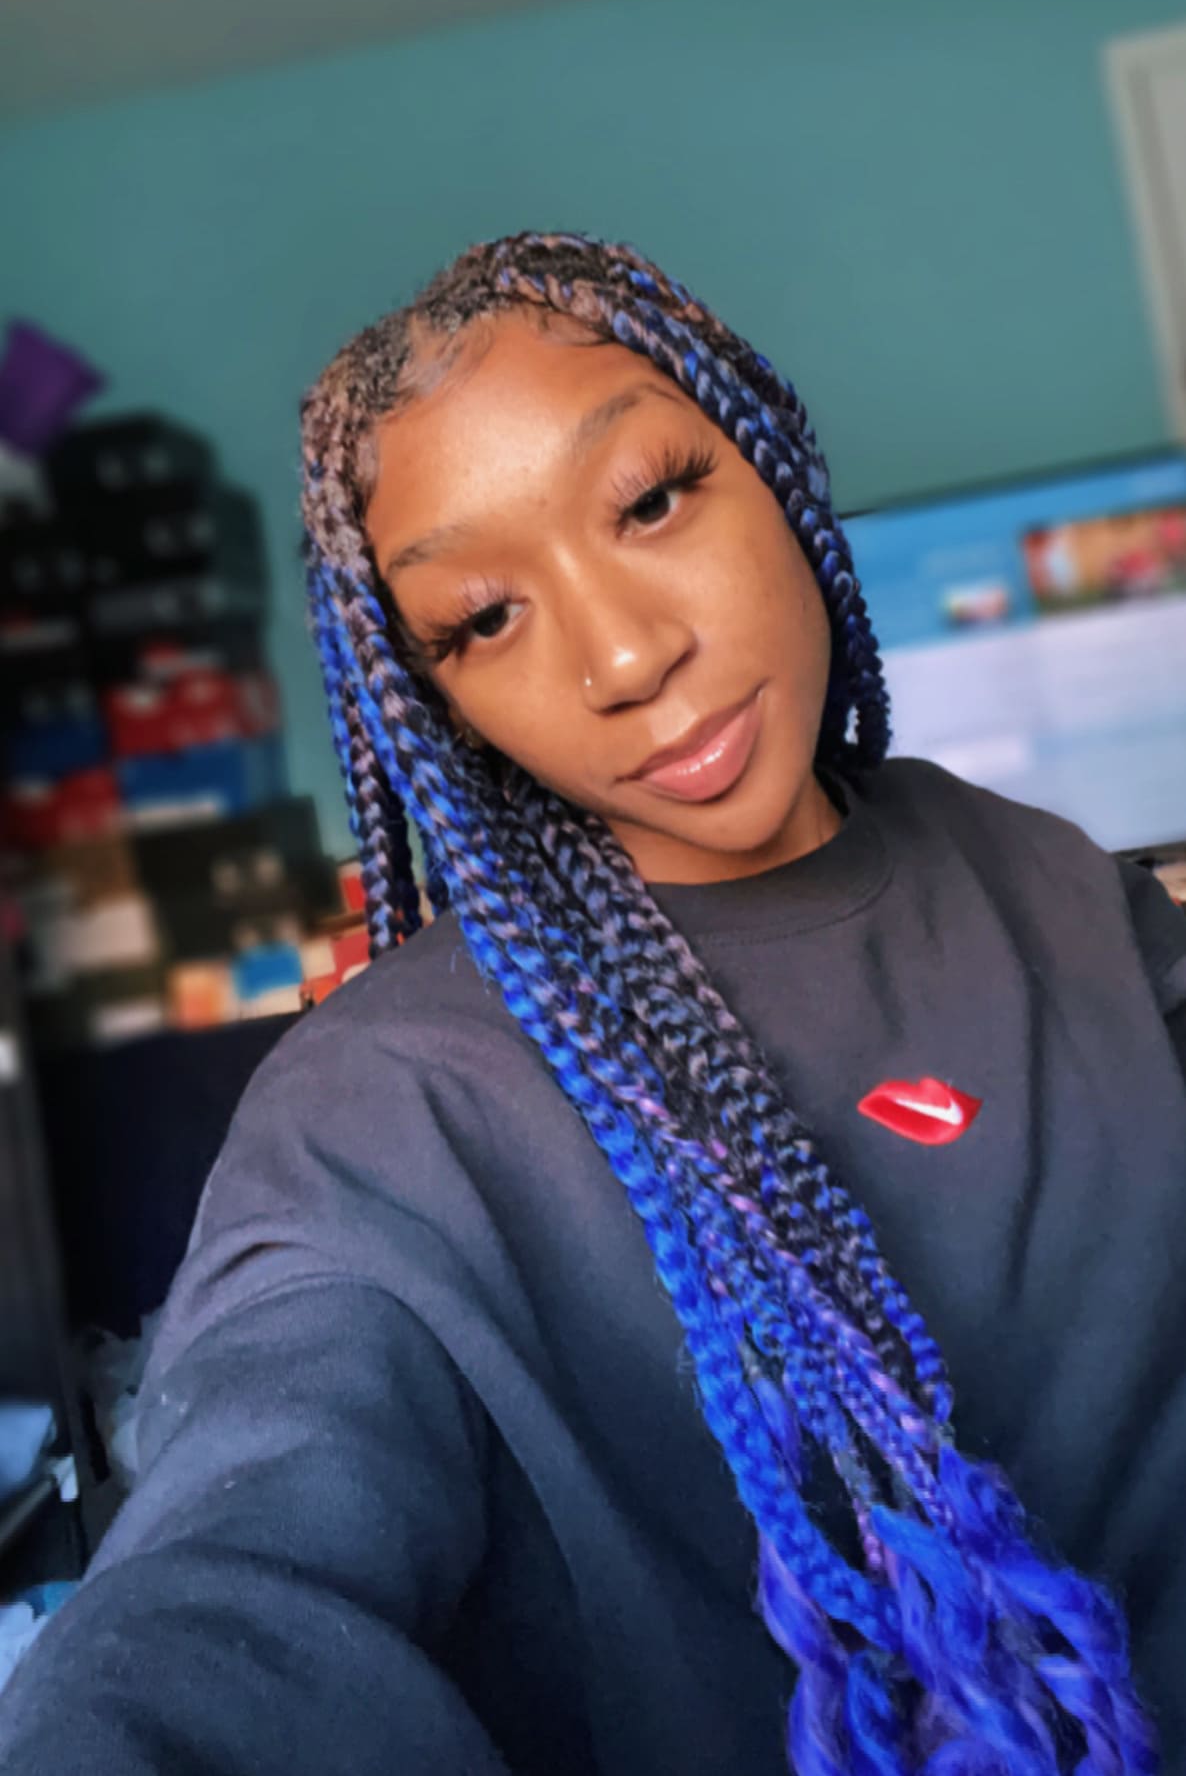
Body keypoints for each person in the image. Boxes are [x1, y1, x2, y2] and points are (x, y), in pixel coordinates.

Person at [2, 230, 1185, 1775]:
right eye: (483, 618)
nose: (624, 654)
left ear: (770, 462)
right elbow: (226, 1588)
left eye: (650, 500)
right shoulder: (388, 1105)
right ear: (433, 695)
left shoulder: (1039, 870)